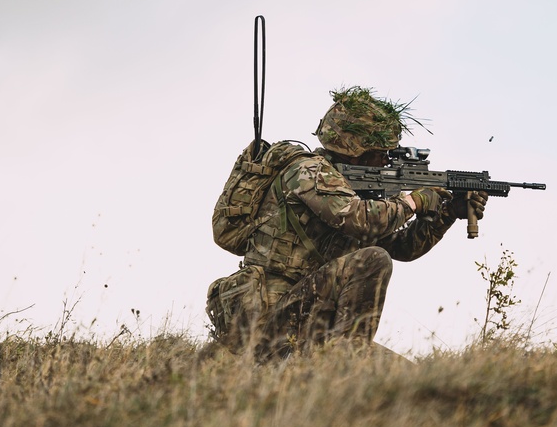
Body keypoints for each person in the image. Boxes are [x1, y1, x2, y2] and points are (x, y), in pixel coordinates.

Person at [207, 86, 488, 360]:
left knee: (409, 379)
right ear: (356, 149)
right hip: (270, 319)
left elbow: (403, 247)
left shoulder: (350, 192)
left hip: (308, 319)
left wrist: (449, 212)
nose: (386, 159)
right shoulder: (309, 171)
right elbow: (359, 219)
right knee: (372, 260)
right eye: (381, 152)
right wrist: (412, 203)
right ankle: (344, 361)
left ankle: (344, 357)